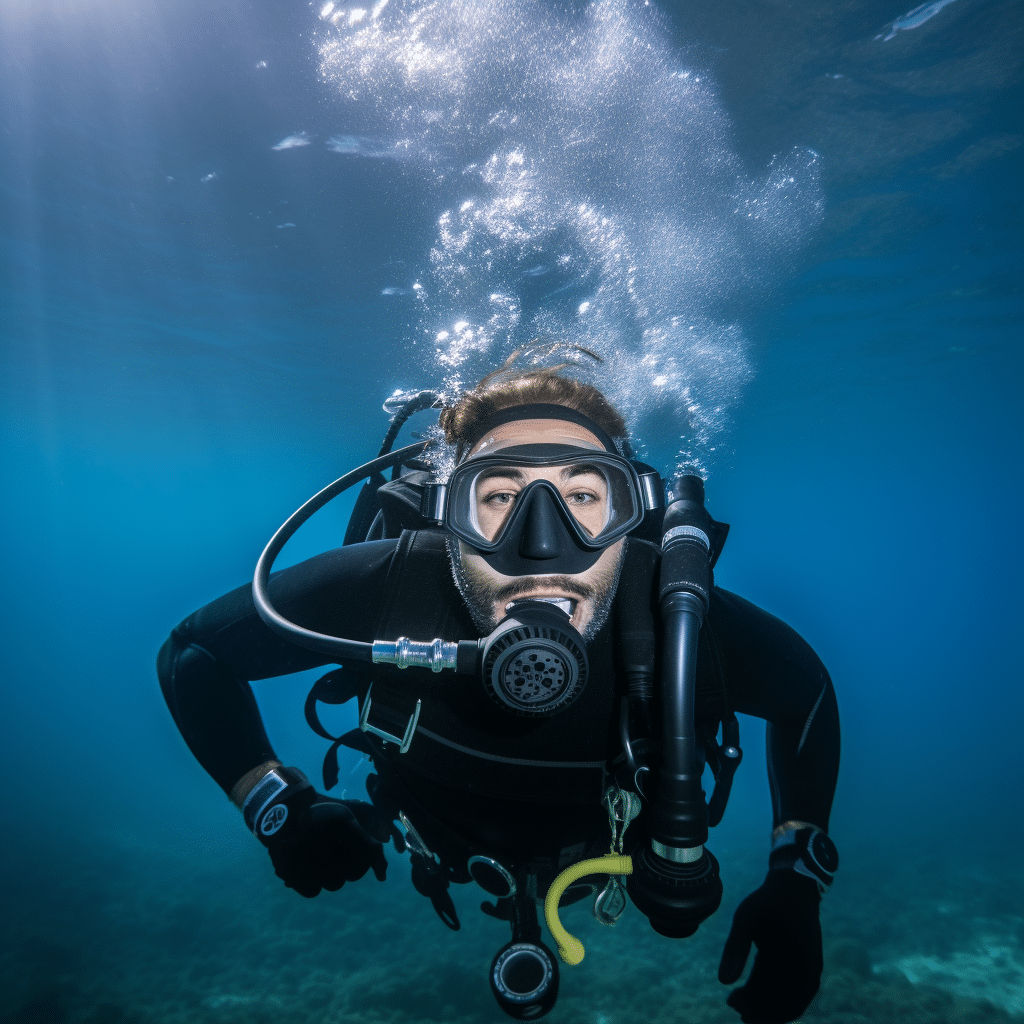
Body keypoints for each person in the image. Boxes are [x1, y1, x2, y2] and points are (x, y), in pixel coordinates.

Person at [158, 356, 839, 1024]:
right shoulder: (395, 588)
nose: (542, 547)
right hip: (432, 839)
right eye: (500, 498)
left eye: (582, 497)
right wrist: (275, 801)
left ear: (631, 519)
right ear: (446, 520)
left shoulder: (675, 619)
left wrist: (797, 878)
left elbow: (805, 693)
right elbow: (194, 650)